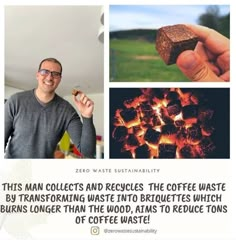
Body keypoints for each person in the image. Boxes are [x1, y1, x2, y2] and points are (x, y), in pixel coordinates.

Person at [5, 57, 96, 158]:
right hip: (13, 171)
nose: (49, 77)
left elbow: (87, 152)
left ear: (60, 79)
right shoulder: (15, 101)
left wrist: (87, 116)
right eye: (45, 72)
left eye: (55, 74)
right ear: (37, 75)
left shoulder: (67, 111)